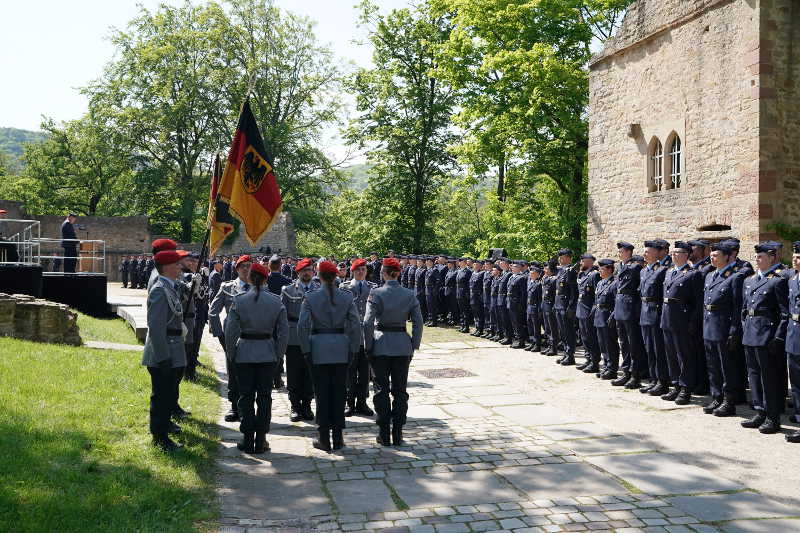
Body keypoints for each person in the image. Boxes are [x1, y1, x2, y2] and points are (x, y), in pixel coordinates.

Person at [224, 262, 289, 454]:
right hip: (267, 352)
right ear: (267, 279)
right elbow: (283, 332)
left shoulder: (239, 300)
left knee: (245, 396)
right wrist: (278, 354)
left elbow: (230, 331)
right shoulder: (276, 301)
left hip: (244, 352)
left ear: (251, 278)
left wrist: (231, 353)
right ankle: (261, 439)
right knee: (265, 397)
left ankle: (247, 437)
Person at [298, 260, 361, 452]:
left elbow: (302, 326)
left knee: (322, 393)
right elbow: (355, 325)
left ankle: (323, 437)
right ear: (335, 276)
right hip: (341, 348)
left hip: (318, 348)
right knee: (339, 393)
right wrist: (354, 348)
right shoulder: (347, 297)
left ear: (318, 276)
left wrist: (305, 349)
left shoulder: (311, 297)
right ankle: (338, 437)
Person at [363, 257, 424, 446]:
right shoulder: (409, 294)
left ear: (384, 273)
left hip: (381, 344)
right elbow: (418, 322)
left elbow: (367, 322)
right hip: (402, 345)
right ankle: (398, 432)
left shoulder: (376, 293)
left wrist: (368, 345)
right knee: (400, 390)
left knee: (381, 390)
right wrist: (413, 344)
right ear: (398, 274)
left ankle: (384, 433)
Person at [740, 241, 789, 434]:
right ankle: (759, 410)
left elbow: (784, 313)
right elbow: (744, 309)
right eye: (757, 257)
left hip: (767, 335)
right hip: (751, 333)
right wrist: (744, 327)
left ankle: (772, 416)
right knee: (754, 375)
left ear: (772, 258)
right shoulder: (750, 280)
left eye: (761, 257)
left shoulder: (777, 280)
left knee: (769, 378)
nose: (757, 259)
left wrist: (778, 337)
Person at [141, 250, 187, 452]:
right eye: (177, 264)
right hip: (164, 350)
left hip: (174, 347)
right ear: (167, 267)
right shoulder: (160, 290)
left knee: (168, 394)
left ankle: (164, 428)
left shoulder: (170, 287)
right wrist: (163, 358)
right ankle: (159, 437)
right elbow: (157, 328)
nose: (180, 267)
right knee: (160, 396)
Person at [701, 242, 745, 417]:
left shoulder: (734, 277)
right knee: (713, 366)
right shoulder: (710, 276)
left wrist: (734, 330)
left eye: (716, 255)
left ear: (727, 257)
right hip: (709, 325)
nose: (712, 258)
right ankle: (717, 397)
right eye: (711, 255)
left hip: (723, 326)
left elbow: (737, 307)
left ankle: (729, 400)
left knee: (727, 366)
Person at [209, 255, 253, 422]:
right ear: (237, 268)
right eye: (243, 266)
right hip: (232, 337)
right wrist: (220, 335)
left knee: (250, 373)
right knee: (233, 373)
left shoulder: (259, 286)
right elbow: (213, 311)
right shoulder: (227, 287)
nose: (246, 269)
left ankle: (248, 407)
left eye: (249, 266)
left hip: (252, 337)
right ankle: (234, 406)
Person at [660, 241, 701, 405]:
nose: (673, 255)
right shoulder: (669, 272)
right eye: (673, 252)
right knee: (671, 355)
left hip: (682, 320)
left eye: (677, 253)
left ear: (686, 255)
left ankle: (685, 388)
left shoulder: (692, 274)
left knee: (684, 356)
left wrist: (693, 322)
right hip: (667, 318)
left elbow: (698, 302)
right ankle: (675, 384)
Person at [281, 258, 320, 422]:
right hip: (294, 337)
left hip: (312, 336)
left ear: (313, 272)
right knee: (294, 372)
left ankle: (307, 405)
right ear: (297, 273)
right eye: (303, 270)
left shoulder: (319, 289)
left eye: (309, 270)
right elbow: (281, 316)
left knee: (310, 373)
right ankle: (295, 406)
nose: (306, 273)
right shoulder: (288, 290)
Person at [340, 258, 376, 417]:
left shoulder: (372, 288)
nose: (361, 272)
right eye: (358, 270)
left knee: (364, 371)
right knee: (349, 371)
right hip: (350, 335)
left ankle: (362, 402)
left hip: (367, 335)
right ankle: (349, 402)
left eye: (363, 269)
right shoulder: (344, 287)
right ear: (352, 271)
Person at [638, 240, 672, 396]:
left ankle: (662, 381)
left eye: (648, 251)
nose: (645, 254)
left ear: (657, 253)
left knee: (658, 350)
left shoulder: (662, 270)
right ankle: (653, 379)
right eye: (645, 251)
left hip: (656, 312)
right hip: (644, 311)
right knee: (649, 349)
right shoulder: (644, 271)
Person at [612, 242, 647, 388]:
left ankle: (635, 375)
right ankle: (626, 372)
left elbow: (638, 290)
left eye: (621, 251)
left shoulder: (635, 267)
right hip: (620, 306)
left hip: (630, 308)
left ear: (628, 252)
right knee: (624, 343)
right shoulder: (620, 267)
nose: (619, 253)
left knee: (634, 345)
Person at [593, 259, 619, 379]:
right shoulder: (600, 283)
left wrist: (612, 316)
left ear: (609, 269)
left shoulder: (614, 283)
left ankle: (612, 368)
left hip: (607, 316)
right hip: (599, 315)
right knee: (602, 343)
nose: (599, 271)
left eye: (602, 269)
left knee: (610, 343)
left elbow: (616, 302)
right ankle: (606, 365)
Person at [576, 254, 601, 372]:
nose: (581, 263)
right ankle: (588, 359)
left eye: (583, 261)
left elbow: (597, 295)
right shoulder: (582, 274)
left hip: (589, 311)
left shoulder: (594, 275)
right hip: (581, 310)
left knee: (591, 338)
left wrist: (594, 310)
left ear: (590, 262)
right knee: (585, 337)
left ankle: (594, 362)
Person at [786, 241, 800, 443]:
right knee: (796, 383)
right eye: (794, 257)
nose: (796, 261)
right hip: (794, 334)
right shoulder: (792, 279)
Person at [554, 250, 578, 364]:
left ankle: (570, 355)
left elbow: (574, 291)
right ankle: (565, 353)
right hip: (559, 305)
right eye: (559, 257)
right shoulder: (560, 271)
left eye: (562, 257)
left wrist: (571, 306)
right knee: (562, 331)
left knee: (568, 331)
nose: (560, 259)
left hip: (566, 306)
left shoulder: (571, 271)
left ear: (569, 258)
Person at [525, 263, 544, 351]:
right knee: (530, 326)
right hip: (529, 307)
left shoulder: (539, 284)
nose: (530, 274)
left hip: (535, 308)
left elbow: (540, 299)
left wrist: (540, 310)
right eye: (530, 272)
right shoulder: (530, 282)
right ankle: (532, 342)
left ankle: (537, 344)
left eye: (532, 273)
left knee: (536, 327)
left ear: (537, 274)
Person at [469, 259, 486, 337]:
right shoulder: (473, 273)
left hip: (478, 296)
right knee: (475, 314)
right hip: (472, 296)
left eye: (476, 264)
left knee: (479, 314)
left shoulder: (482, 273)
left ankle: (480, 329)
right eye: (474, 264)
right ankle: (477, 328)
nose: (474, 265)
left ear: (480, 266)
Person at [456, 258, 473, 333]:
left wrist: (467, 294)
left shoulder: (468, 272)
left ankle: (466, 327)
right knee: (461, 310)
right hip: (459, 292)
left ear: (465, 263)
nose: (459, 263)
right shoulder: (459, 271)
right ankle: (462, 325)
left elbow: (469, 284)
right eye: (459, 262)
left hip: (464, 293)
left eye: (461, 262)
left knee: (465, 310)